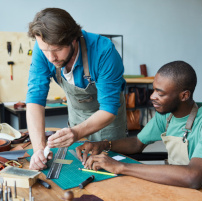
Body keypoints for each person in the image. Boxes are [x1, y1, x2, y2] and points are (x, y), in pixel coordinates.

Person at [76, 61, 202, 195]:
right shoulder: (166, 116)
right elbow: (137, 143)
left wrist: (120, 167)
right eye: (154, 90)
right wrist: (103, 145)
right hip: (175, 187)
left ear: (184, 95)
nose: (152, 96)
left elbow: (193, 177)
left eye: (160, 93)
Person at [26, 8, 127, 170]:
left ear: (73, 38)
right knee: (77, 168)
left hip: (108, 121)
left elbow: (108, 108)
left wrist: (77, 132)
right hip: (76, 118)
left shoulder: (104, 52)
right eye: (45, 50)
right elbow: (34, 100)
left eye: (57, 50)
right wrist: (38, 148)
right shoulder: (43, 49)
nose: (51, 58)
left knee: (111, 172)